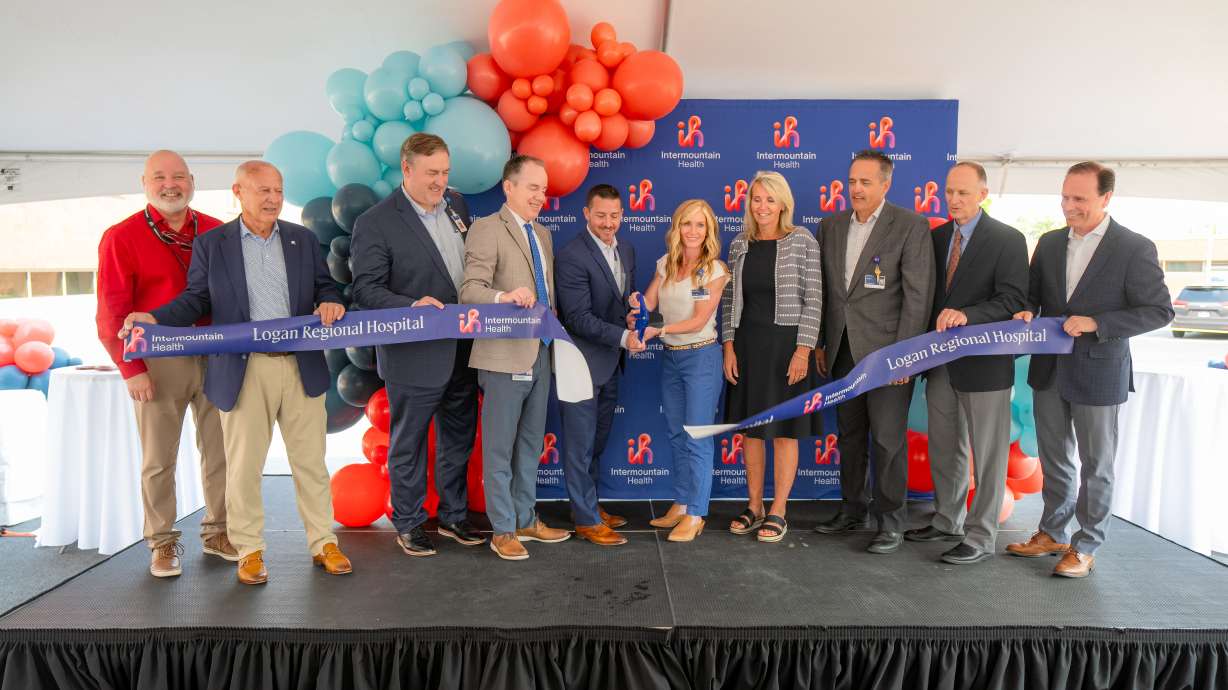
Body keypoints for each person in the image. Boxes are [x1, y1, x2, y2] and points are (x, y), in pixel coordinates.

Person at [121, 161, 353, 585]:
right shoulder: (214, 244)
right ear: (238, 192)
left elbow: (326, 287)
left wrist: (329, 301)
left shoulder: (303, 239)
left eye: (278, 191)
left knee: (311, 464)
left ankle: (323, 542)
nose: (272, 199)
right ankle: (249, 549)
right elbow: (195, 300)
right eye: (262, 190)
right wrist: (155, 319)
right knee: (243, 467)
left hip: (302, 367)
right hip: (244, 372)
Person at [1007, 162, 1173, 578]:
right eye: (1065, 197)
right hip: (1049, 370)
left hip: (1100, 371)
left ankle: (1086, 544)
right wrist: (1025, 311)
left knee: (1097, 463)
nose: (1068, 206)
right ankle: (1051, 532)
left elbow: (1158, 310)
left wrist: (1099, 323)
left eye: (1079, 199)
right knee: (1054, 458)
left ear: (1106, 198)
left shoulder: (1134, 247)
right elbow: (1032, 297)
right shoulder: (1047, 242)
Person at [95, 150, 235, 578]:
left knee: (221, 452)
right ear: (144, 182)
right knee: (159, 458)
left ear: (192, 181)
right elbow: (110, 313)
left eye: (178, 176)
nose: (170, 184)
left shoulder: (218, 232)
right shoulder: (121, 237)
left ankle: (219, 532)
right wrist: (131, 368)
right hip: (158, 362)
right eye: (160, 177)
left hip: (215, 355)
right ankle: (161, 543)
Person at [350, 133, 483, 557]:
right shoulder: (376, 221)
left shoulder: (458, 205)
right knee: (408, 442)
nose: (440, 182)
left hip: (464, 346)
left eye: (444, 172)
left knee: (458, 436)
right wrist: (411, 306)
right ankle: (408, 523)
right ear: (406, 169)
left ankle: (453, 516)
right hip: (414, 352)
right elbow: (366, 290)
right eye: (431, 174)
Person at [903, 162, 1028, 565]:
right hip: (940, 364)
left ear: (982, 194)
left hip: (986, 366)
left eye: (963, 193)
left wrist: (966, 314)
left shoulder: (1008, 239)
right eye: (949, 192)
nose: (953, 200)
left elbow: (1013, 300)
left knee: (988, 453)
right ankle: (946, 520)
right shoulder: (935, 238)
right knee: (944, 446)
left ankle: (980, 535)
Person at [813, 150, 935, 554]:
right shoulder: (829, 226)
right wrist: (820, 343)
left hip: (888, 356)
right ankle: (852, 509)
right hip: (843, 351)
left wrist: (906, 356)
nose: (856, 189)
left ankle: (891, 522)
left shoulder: (910, 226)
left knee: (886, 439)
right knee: (849, 436)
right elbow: (825, 294)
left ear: (885, 184)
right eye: (852, 182)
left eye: (866, 182)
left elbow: (918, 297)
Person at [460, 155, 570, 560]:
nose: (540, 196)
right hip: (503, 357)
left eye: (544, 189)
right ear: (509, 187)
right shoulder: (487, 230)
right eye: (532, 187)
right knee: (500, 449)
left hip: (540, 353)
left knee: (529, 446)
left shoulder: (542, 233)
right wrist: (503, 298)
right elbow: (469, 290)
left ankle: (525, 518)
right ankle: (503, 529)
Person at [719, 171, 823, 543]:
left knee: (783, 432)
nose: (762, 207)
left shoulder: (802, 241)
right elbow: (729, 300)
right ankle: (754, 504)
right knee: (750, 432)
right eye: (756, 199)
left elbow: (815, 299)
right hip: (748, 345)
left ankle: (779, 508)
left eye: (769, 200)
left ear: (783, 204)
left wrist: (803, 350)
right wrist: (728, 345)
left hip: (786, 347)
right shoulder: (738, 244)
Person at [633, 199, 728, 542]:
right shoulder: (666, 264)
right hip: (671, 358)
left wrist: (659, 330)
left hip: (701, 358)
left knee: (697, 437)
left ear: (708, 231)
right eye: (686, 223)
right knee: (676, 433)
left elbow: (700, 319)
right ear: (676, 227)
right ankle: (683, 501)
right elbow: (648, 303)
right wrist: (636, 312)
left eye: (700, 225)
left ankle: (697, 514)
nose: (692, 231)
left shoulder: (712, 270)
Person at [554, 184, 643, 547]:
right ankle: (587, 520)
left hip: (609, 363)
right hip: (580, 362)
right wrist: (624, 337)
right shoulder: (572, 255)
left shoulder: (626, 248)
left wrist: (633, 307)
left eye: (615, 215)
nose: (609, 223)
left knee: (597, 441)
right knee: (578, 444)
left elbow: (619, 303)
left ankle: (588, 506)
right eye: (602, 215)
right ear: (587, 214)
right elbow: (578, 318)